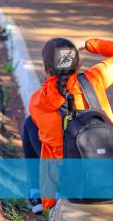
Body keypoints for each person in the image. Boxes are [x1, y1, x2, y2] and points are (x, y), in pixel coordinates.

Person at [22, 37, 113, 214]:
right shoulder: (95, 78)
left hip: (69, 184)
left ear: (46, 70)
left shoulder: (38, 101)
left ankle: (37, 193)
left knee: (29, 124)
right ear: (78, 66)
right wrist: (87, 43)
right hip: (106, 171)